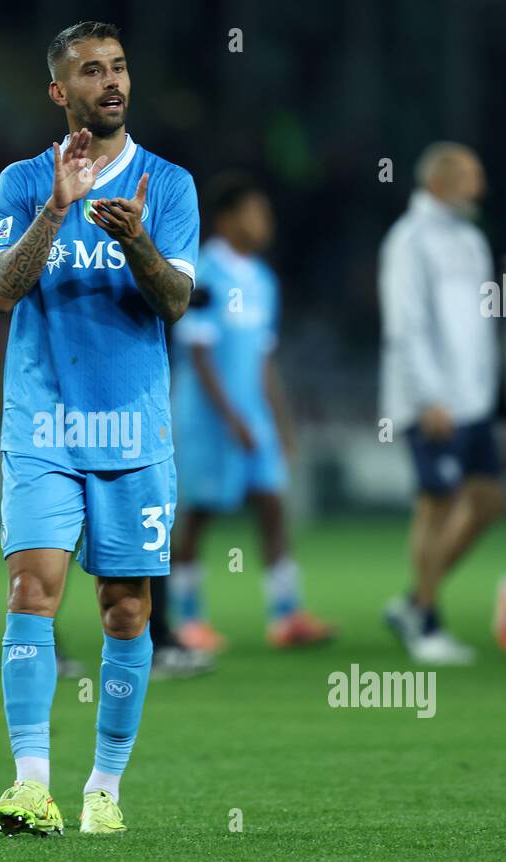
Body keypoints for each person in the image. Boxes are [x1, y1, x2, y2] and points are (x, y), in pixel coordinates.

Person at [0, 21, 198, 836]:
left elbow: (174, 301)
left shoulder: (169, 186)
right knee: (31, 590)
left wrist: (138, 240)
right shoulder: (22, 181)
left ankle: (103, 787)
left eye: (118, 68)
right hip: (43, 424)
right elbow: (2, 289)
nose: (110, 81)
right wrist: (54, 212)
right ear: (59, 91)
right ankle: (30, 784)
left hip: (134, 433)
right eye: (90, 71)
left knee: (125, 613)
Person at [169, 172, 335, 652]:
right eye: (255, 213)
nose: (264, 223)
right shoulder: (202, 272)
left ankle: (287, 615)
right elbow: (198, 355)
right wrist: (232, 417)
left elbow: (263, 360)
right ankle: (189, 618)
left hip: (252, 417)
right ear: (227, 218)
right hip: (206, 416)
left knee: (272, 506)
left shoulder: (262, 280)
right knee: (198, 515)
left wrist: (278, 422)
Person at [378, 143, 503, 665]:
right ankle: (426, 621)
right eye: (469, 175)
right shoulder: (410, 239)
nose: (480, 185)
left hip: (473, 399)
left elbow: (482, 322)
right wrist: (428, 395)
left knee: (489, 502)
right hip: (431, 400)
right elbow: (405, 323)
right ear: (437, 181)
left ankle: (413, 601)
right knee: (437, 504)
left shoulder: (471, 239)